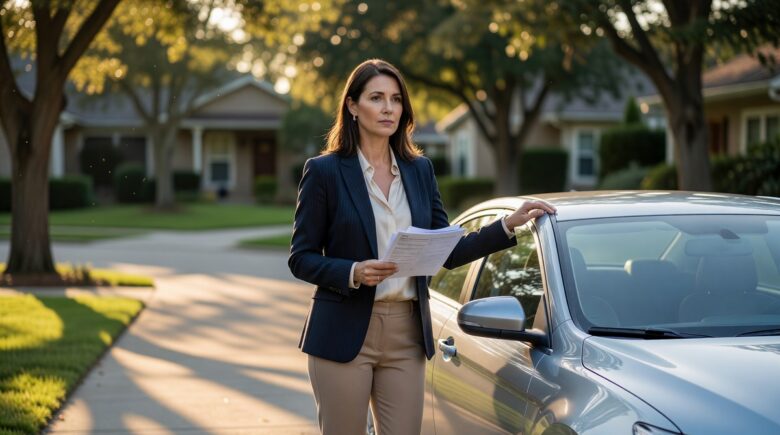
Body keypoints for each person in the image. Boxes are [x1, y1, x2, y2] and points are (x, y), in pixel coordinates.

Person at [288, 59, 556, 435]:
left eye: (396, 99)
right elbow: (301, 258)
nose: (388, 108)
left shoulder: (419, 170)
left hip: (406, 334)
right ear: (352, 105)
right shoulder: (324, 172)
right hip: (342, 331)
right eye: (376, 98)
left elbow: (445, 249)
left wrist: (507, 225)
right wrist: (353, 272)